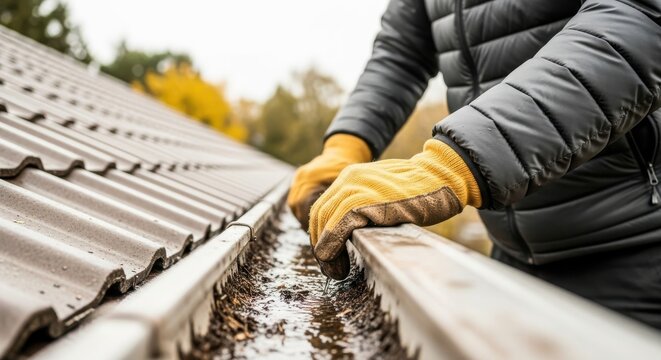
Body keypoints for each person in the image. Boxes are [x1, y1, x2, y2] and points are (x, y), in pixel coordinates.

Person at [287, 0, 661, 328]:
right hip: (510, 257)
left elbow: (637, 19)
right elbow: (402, 51)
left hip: (634, 254)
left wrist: (455, 165)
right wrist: (347, 145)